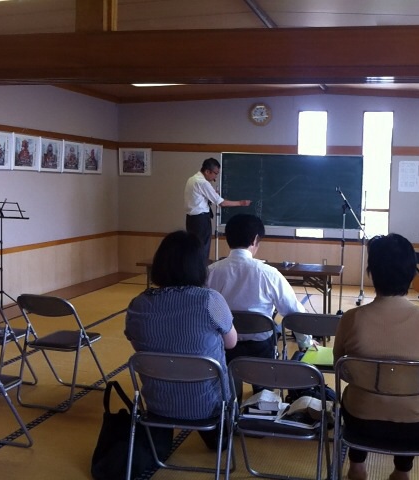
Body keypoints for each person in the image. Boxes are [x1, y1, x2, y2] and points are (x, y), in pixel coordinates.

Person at [333, 233, 419, 480]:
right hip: (414, 427)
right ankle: (402, 471)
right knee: (413, 402)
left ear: (372, 273)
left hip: (360, 422)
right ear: (411, 274)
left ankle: (357, 467)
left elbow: (339, 367)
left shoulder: (351, 319)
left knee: (357, 395)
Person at [124, 230, 238, 449]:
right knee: (231, 371)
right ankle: (218, 436)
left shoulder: (138, 304)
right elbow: (232, 342)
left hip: (158, 404)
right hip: (207, 407)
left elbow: (137, 344)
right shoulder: (209, 299)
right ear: (199, 266)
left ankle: (161, 436)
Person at [206, 214, 315, 367]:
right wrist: (306, 342)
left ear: (227, 238)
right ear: (255, 239)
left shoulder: (210, 272)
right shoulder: (269, 274)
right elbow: (293, 313)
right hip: (260, 350)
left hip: (221, 348)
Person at [184, 158, 251, 263]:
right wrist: (241, 203)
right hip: (200, 221)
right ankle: (201, 269)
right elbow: (221, 203)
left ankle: (195, 269)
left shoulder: (192, 179)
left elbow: (198, 199)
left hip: (191, 220)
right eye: (215, 173)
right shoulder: (202, 183)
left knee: (193, 248)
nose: (215, 177)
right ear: (207, 171)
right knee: (202, 249)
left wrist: (212, 194)